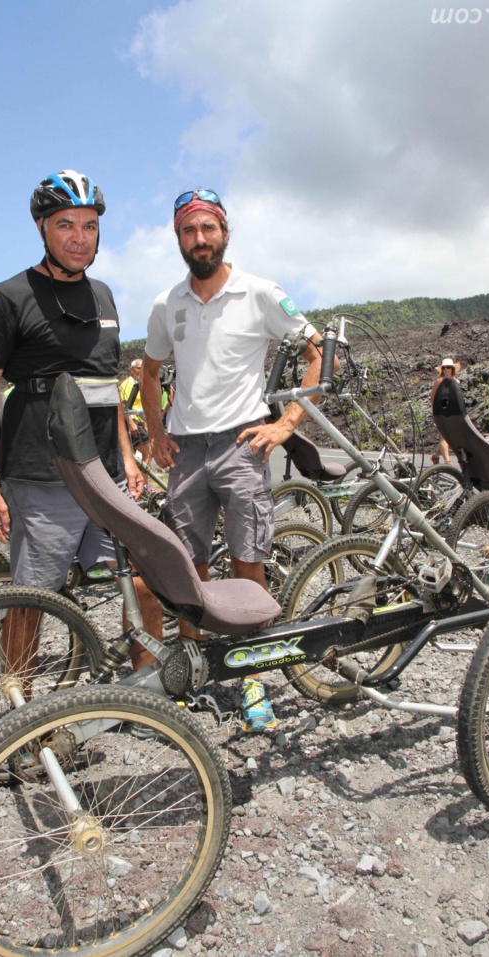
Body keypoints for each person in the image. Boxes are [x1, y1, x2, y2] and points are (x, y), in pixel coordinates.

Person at [0, 169, 162, 692]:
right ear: (42, 229)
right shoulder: (8, 298)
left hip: (106, 476)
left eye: (90, 226)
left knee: (142, 578)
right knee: (33, 598)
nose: (80, 237)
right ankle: (16, 708)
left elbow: (106, 387)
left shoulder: (104, 296)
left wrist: (127, 456)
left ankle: (146, 691)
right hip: (42, 475)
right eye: (66, 225)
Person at [141, 188, 324, 732]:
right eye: (189, 232)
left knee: (248, 562)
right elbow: (148, 372)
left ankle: (252, 678)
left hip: (242, 444)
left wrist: (287, 423)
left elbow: (318, 352)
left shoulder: (260, 292)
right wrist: (155, 431)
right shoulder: (166, 303)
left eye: (208, 229)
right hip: (186, 449)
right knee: (186, 567)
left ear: (225, 233)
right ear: (178, 239)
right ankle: (195, 670)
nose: (200, 240)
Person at [119, 359, 152, 463]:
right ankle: (144, 478)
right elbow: (124, 405)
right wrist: (131, 422)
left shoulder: (138, 383)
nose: (142, 370)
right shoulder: (128, 384)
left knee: (145, 455)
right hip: (134, 424)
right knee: (146, 454)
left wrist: (145, 422)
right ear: (131, 370)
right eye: (139, 368)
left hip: (140, 422)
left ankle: (143, 477)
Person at [430, 358, 461, 465]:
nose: (446, 369)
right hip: (441, 413)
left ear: (452, 369)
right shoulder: (439, 382)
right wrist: (434, 413)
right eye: (444, 368)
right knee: (443, 437)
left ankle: (435, 456)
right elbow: (433, 398)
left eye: (448, 367)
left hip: (453, 413)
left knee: (448, 438)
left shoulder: (456, 382)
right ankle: (448, 461)